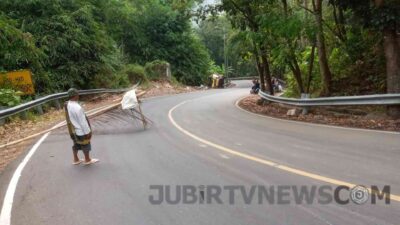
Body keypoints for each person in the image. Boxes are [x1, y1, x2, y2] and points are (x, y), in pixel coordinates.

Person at [64, 88, 99, 165]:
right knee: (86, 144)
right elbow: (83, 122)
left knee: (76, 144)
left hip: (73, 130)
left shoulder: (68, 104)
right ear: (75, 95)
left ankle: (76, 159)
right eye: (77, 94)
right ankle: (87, 159)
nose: (78, 95)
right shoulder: (77, 107)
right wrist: (87, 132)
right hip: (81, 130)